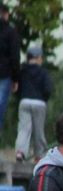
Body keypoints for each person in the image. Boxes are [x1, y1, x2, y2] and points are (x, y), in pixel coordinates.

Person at [15, 45, 51, 163]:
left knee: (24, 129)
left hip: (24, 101)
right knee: (38, 131)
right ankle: (39, 156)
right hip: (39, 102)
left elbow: (17, 88)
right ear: (38, 57)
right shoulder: (43, 72)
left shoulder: (22, 70)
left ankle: (20, 152)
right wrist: (44, 99)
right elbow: (47, 89)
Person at [0, 4, 18, 135]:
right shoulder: (10, 32)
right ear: (5, 14)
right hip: (4, 74)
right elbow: (14, 56)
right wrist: (16, 78)